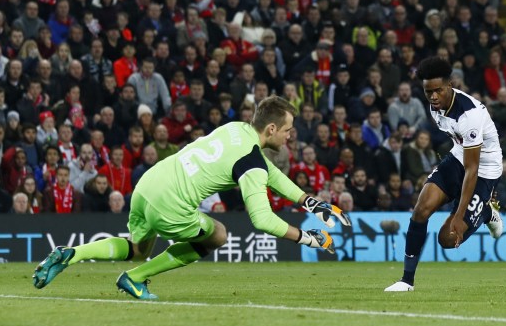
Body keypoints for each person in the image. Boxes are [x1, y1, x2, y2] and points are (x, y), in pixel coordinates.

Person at [33, 96, 351, 300]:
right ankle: (134, 278)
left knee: (138, 248)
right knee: (218, 235)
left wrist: (309, 201)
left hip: (148, 185)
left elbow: (268, 170)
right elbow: (262, 219)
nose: (290, 135)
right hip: (172, 203)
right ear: (271, 128)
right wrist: (306, 238)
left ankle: (71, 254)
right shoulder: (251, 161)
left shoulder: (237, 129)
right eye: (287, 130)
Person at [385, 57, 503, 292]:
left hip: (484, 169)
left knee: (448, 239)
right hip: (460, 156)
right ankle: (406, 281)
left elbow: (472, 169)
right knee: (421, 210)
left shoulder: (469, 115)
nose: (434, 96)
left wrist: (459, 215)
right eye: (429, 92)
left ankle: (487, 211)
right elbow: (460, 152)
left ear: (450, 85)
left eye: (438, 90)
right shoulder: (434, 105)